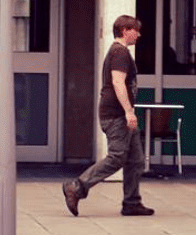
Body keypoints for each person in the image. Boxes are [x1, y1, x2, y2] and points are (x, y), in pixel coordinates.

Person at [62, 15, 153, 218]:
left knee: (136, 160)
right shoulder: (120, 53)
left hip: (119, 114)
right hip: (116, 115)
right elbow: (118, 83)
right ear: (124, 30)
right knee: (117, 157)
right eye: (135, 30)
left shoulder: (119, 52)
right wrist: (129, 112)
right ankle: (77, 187)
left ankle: (132, 203)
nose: (138, 34)